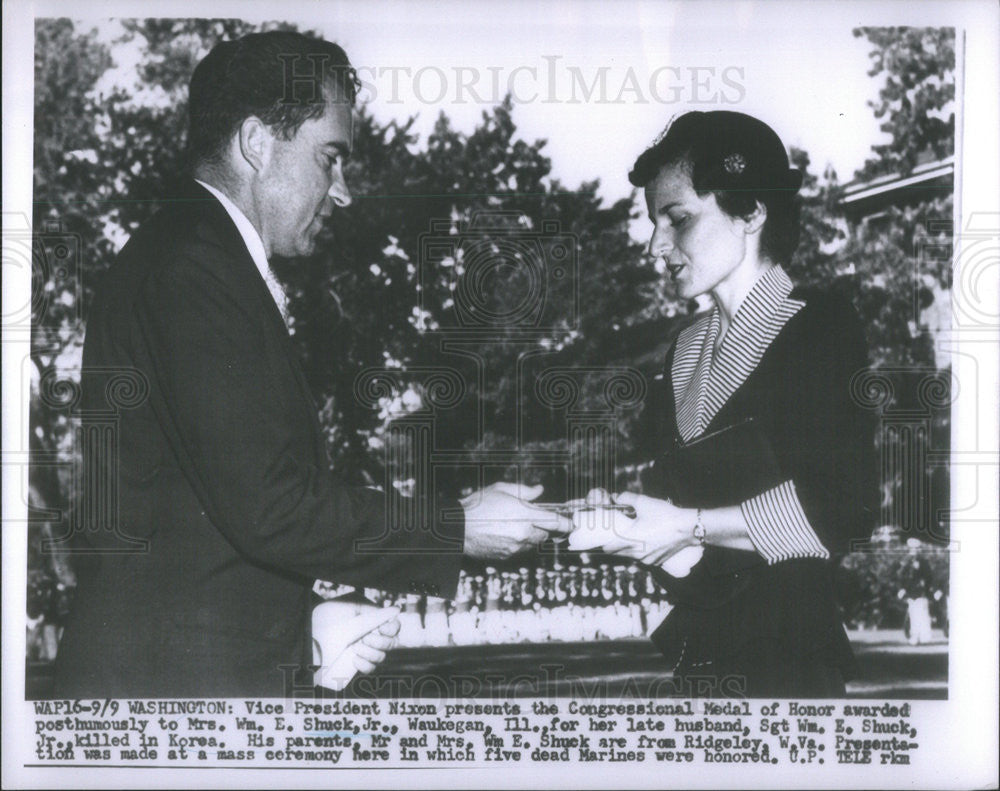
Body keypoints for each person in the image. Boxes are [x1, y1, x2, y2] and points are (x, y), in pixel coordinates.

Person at [52, 31, 568, 698]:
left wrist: (305, 625)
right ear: (257, 144)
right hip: (174, 696)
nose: (343, 191)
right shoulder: (195, 266)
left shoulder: (194, 254)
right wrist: (459, 525)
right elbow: (270, 504)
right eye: (331, 159)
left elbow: (199, 521)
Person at [574, 111, 878, 697]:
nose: (655, 245)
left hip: (790, 663)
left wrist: (686, 525)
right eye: (653, 223)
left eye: (678, 219)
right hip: (703, 658)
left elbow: (844, 505)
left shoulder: (820, 326)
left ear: (751, 212)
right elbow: (687, 539)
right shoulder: (683, 352)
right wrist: (630, 523)